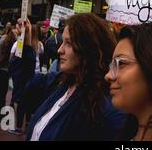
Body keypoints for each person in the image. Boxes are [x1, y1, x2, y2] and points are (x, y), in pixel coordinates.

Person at [25, 13, 125, 141]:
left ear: (89, 48)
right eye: (62, 42)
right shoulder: (61, 83)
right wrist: (26, 42)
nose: (60, 50)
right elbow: (25, 88)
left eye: (69, 43)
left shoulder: (103, 106)